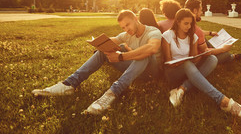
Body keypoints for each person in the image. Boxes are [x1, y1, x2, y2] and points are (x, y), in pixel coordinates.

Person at [32, 10, 162, 115]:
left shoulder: (152, 31)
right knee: (102, 53)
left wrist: (121, 57)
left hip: (151, 73)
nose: (126, 29)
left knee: (144, 54)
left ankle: (111, 93)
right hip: (136, 70)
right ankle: (69, 84)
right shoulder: (126, 35)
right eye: (123, 27)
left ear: (135, 18)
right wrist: (99, 43)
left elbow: (152, 48)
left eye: (128, 25)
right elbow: (114, 40)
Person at [162, 8, 241, 120]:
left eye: (191, 24)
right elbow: (167, 62)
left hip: (189, 70)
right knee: (187, 64)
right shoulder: (167, 35)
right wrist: (183, 62)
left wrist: (200, 56)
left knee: (212, 59)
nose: (189, 27)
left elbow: (193, 59)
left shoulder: (193, 37)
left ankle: (181, 88)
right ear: (177, 22)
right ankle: (222, 100)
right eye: (186, 23)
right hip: (173, 72)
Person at [184, 0, 241, 64]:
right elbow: (206, 52)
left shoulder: (185, 24)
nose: (201, 12)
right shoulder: (197, 30)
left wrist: (210, 33)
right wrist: (223, 49)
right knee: (226, 54)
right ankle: (232, 56)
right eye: (200, 10)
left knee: (206, 40)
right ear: (195, 11)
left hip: (187, 56)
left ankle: (228, 54)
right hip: (198, 60)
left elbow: (198, 33)